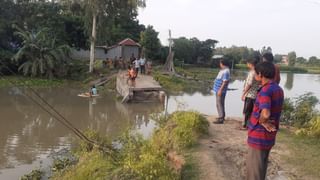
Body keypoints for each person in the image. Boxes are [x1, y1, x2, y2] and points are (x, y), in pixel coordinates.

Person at [246, 61, 284, 180]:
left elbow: (266, 113)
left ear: (261, 74)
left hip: (259, 136)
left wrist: (262, 121)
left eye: (256, 73)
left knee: (254, 170)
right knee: (261, 166)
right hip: (269, 136)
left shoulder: (265, 90)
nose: (255, 75)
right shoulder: (278, 89)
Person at [241, 57, 260, 129]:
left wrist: (244, 93)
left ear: (250, 64)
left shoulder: (252, 73)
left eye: (247, 63)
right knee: (251, 110)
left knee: (247, 111)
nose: (247, 65)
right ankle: (250, 124)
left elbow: (249, 84)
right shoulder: (258, 72)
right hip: (255, 95)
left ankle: (246, 125)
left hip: (250, 95)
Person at [213, 58, 230, 124]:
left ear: (222, 64)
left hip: (220, 90)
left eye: (220, 63)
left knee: (219, 104)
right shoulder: (224, 70)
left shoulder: (226, 71)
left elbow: (225, 81)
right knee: (219, 103)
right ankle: (221, 116)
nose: (220, 64)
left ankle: (221, 118)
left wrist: (220, 90)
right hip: (218, 90)